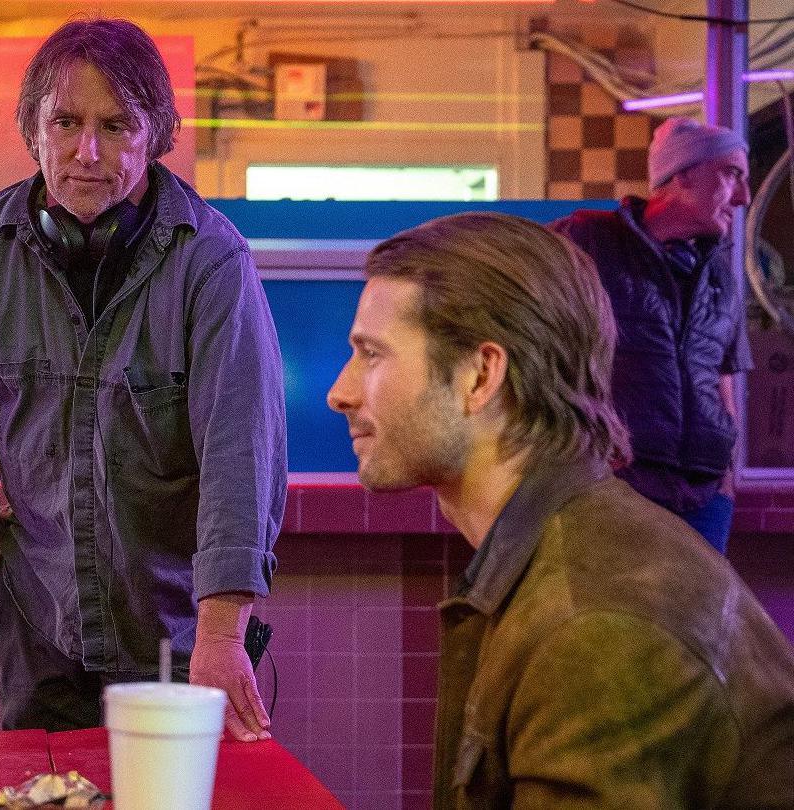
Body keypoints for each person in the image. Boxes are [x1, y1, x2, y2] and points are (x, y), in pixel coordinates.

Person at [326, 212, 794, 807]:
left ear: (480, 376)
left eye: (371, 354)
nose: (339, 391)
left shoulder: (596, 622)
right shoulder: (560, 550)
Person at [0, 18, 286, 740]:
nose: (87, 151)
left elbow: (243, 460)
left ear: (156, 135)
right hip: (37, 631)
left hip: (179, 635)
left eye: (116, 125)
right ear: (32, 129)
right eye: (65, 122)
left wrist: (220, 635)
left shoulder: (211, 263)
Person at [550, 117, 753, 552]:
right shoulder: (588, 241)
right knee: (614, 615)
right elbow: (529, 339)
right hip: (615, 488)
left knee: (695, 620)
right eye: (731, 174)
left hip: (703, 495)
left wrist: (727, 480)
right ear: (682, 175)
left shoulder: (718, 274)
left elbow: (724, 378)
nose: (743, 198)